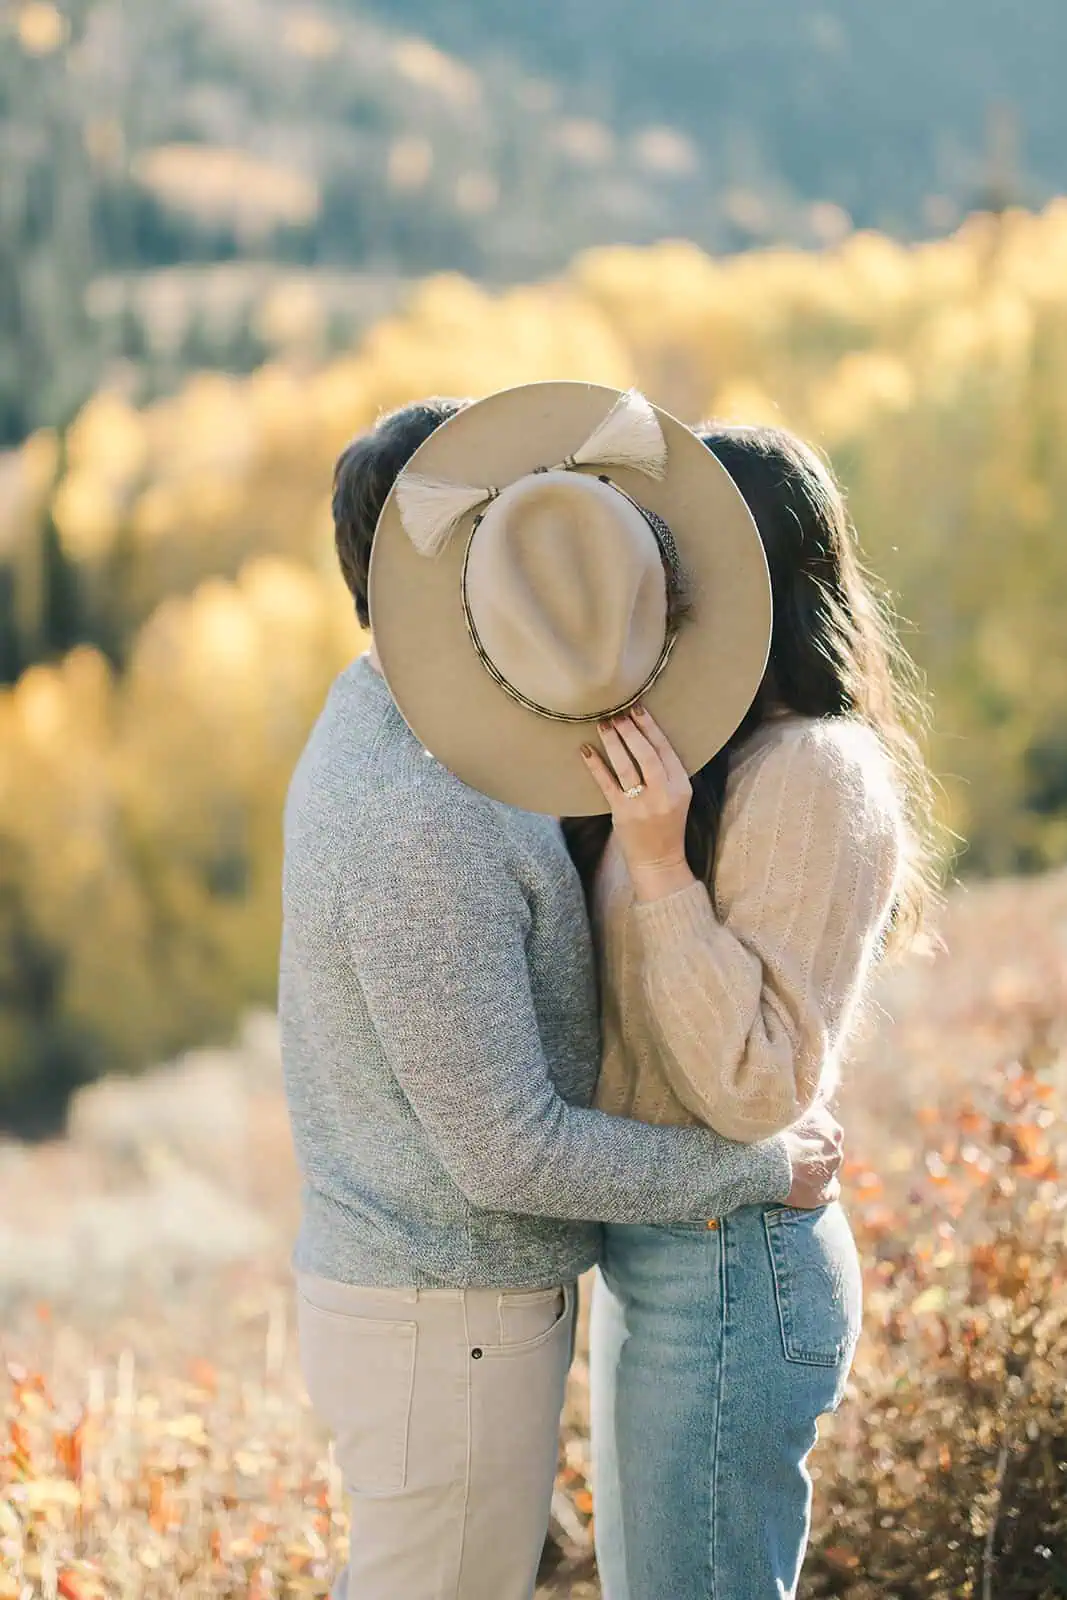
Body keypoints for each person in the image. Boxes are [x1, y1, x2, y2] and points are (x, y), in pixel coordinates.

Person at [279, 391, 843, 1600]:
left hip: (444, 1301)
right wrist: (752, 1168)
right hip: (446, 1310)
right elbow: (505, 1152)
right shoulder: (424, 808)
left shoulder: (409, 730)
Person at [565, 421, 937, 1600]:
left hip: (731, 1262)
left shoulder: (815, 771)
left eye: (677, 565)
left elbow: (752, 1087)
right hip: (667, 1252)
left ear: (755, 575)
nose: (655, 593)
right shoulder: (706, 757)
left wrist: (661, 862)